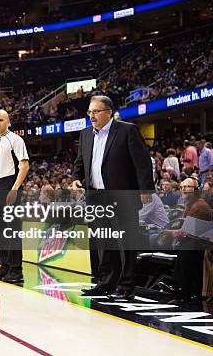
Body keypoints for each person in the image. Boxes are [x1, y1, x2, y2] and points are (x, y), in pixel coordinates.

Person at [72, 95, 153, 300]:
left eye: (96, 111)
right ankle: (106, 282)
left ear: (108, 112)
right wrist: (76, 178)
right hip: (96, 196)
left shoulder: (127, 130)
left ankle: (127, 285)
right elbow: (80, 161)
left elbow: (142, 163)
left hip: (122, 195)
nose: (91, 116)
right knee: (103, 241)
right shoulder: (85, 134)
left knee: (126, 241)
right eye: (89, 112)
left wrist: (145, 191)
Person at [0, 110, 29, 284]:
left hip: (10, 185)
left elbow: (24, 165)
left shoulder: (15, 140)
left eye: (1, 120)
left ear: (8, 122)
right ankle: (5, 265)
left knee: (12, 230)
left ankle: (16, 270)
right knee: (0, 230)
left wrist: (15, 188)